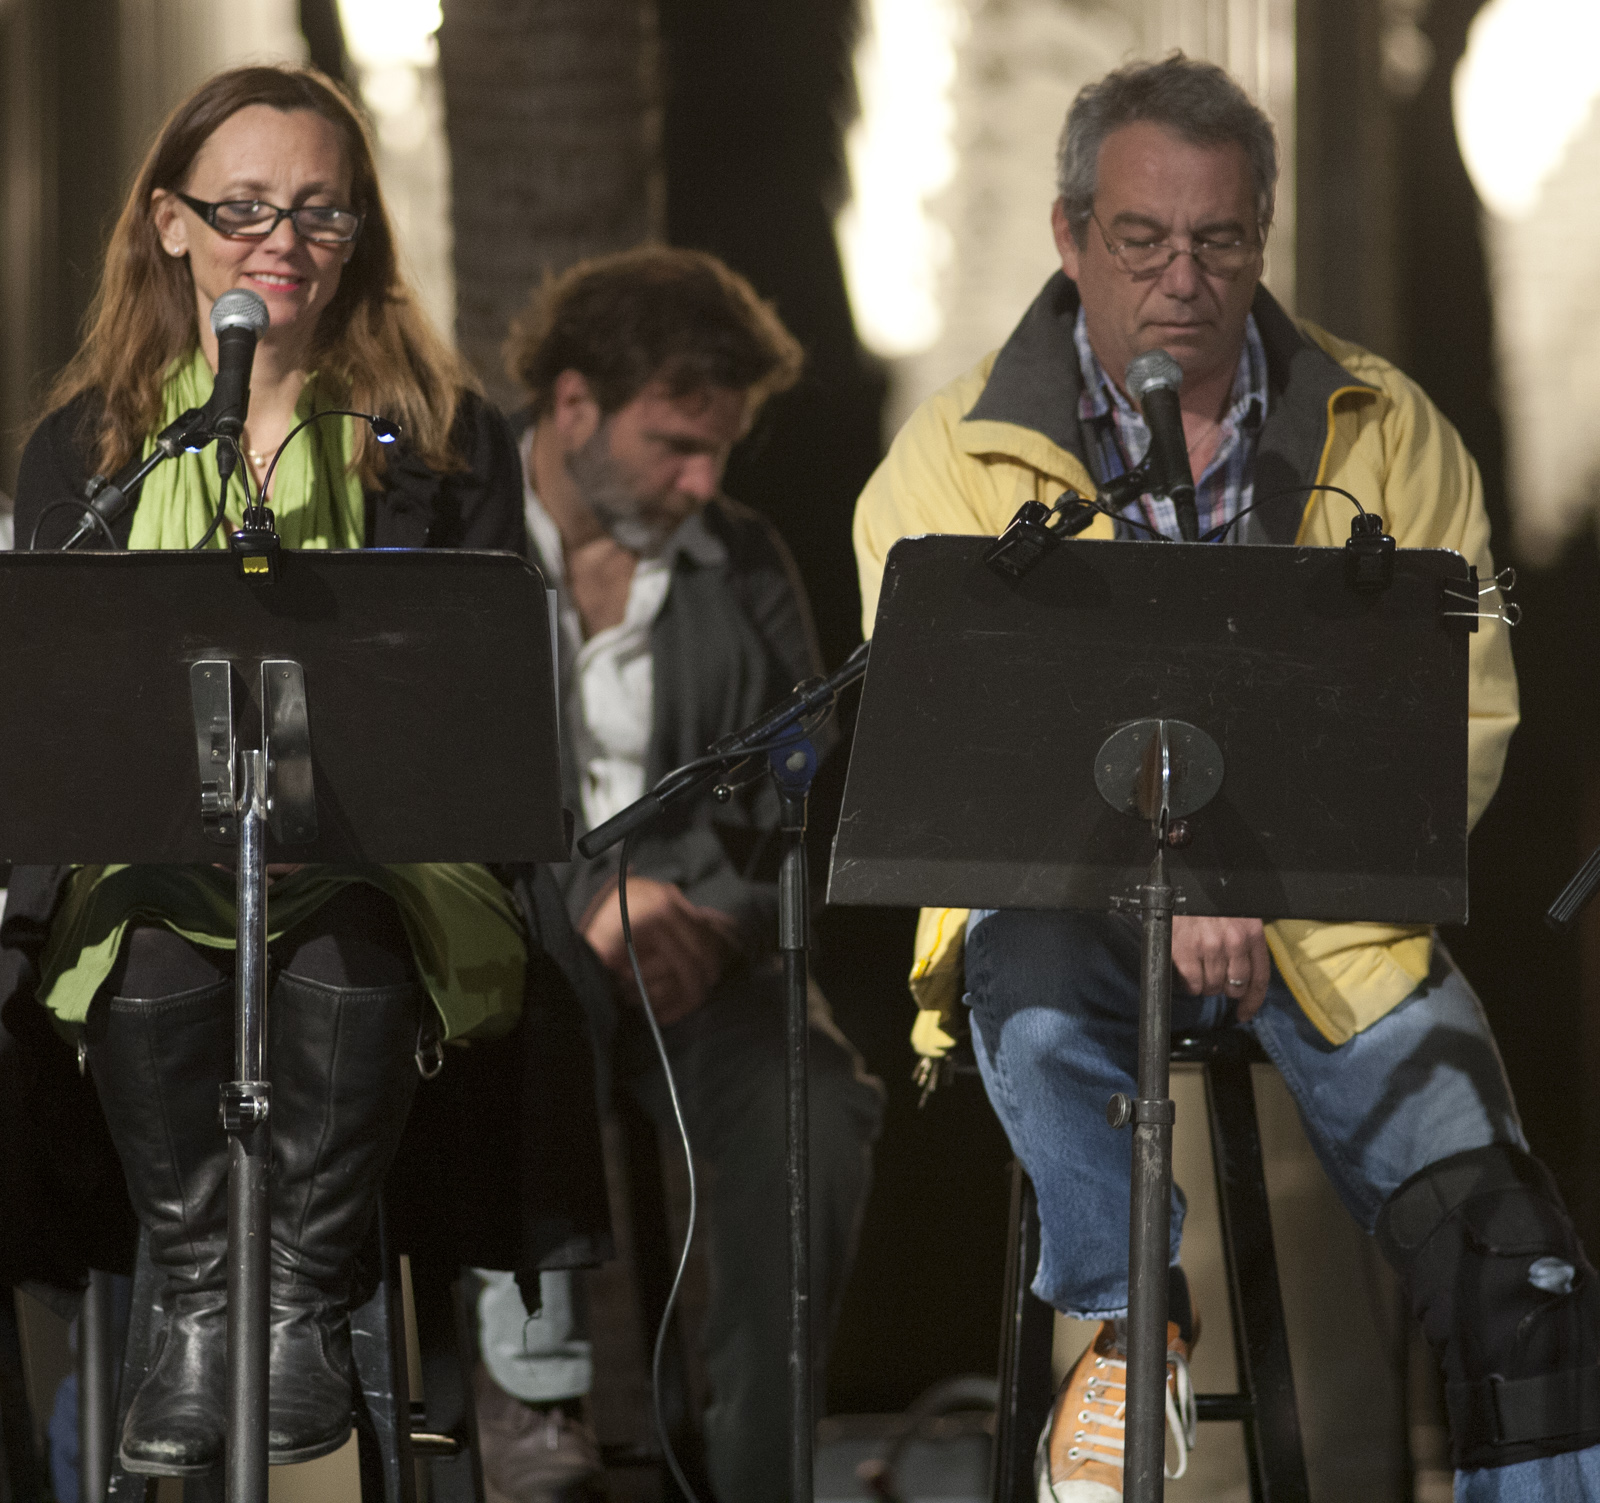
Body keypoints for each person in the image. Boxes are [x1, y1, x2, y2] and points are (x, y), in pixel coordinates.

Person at [854, 54, 1600, 1503]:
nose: (1184, 277)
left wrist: (1251, 879)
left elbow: (1463, 714)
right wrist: (1168, 880)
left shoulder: (1390, 430)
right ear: (1071, 236)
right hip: (1061, 920)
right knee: (1022, 970)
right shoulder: (946, 461)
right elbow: (959, 755)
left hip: (1328, 927)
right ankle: (1132, 1319)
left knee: (1527, 1279)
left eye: (1222, 240)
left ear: (1262, 234)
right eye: (1143, 239)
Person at [0, 63, 577, 1479]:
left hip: (395, 852)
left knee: (347, 953)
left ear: (361, 232)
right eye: (245, 206)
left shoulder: (444, 439)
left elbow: (485, 707)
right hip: (145, 852)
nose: (283, 241)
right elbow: (52, 711)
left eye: (320, 211)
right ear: (169, 226)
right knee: (149, 960)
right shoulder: (84, 446)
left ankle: (301, 1309)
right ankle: (206, 1303)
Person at [470, 247, 886, 1503]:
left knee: (811, 1102)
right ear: (575, 403)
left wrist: (705, 909)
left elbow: (795, 805)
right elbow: (420, 783)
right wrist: (582, 904)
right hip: (507, 953)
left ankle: (761, 1467)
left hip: (695, 958)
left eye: (720, 452)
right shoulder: (452, 521)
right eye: (674, 446)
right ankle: (530, 1408)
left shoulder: (741, 559)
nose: (702, 481)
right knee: (512, 1028)